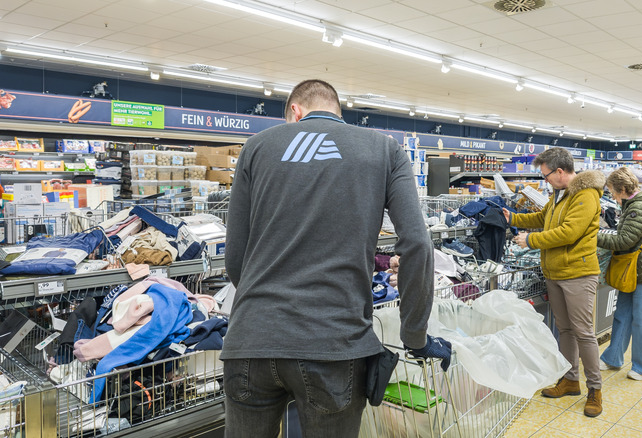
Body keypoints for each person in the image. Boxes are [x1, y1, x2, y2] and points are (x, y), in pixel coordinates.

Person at [222, 79, 449, 438]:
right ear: (337, 107)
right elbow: (418, 245)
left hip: (251, 340)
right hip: (335, 343)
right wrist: (414, 335)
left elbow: (234, 256)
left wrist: (262, 302)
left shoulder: (256, 147)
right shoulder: (385, 150)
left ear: (294, 111)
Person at [502, 147, 606, 417]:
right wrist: (513, 218)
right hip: (555, 273)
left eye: (546, 175)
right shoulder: (559, 194)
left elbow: (569, 232)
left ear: (560, 172)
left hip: (578, 274)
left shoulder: (585, 195)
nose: (544, 180)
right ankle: (570, 380)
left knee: (583, 332)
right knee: (565, 330)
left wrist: (531, 240)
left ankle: (595, 390)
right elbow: (543, 218)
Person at [597, 167, 642, 380]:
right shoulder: (634, 205)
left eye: (612, 192)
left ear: (622, 189)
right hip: (632, 270)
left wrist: (593, 237)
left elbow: (624, 241)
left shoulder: (639, 208)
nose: (612, 197)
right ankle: (613, 357)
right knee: (623, 315)